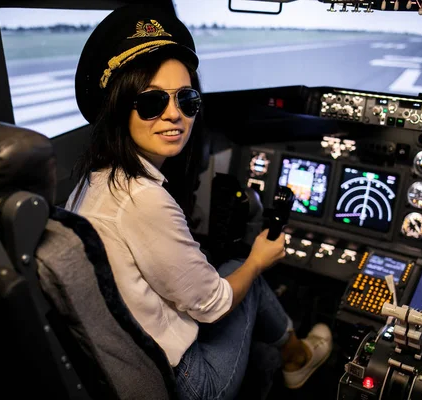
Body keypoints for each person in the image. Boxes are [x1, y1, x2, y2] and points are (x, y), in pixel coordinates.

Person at [67, 4, 332, 399]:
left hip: (126, 366)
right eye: (153, 101)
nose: (175, 115)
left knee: (232, 268)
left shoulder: (95, 179)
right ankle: (298, 358)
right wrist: (260, 260)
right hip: (187, 384)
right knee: (248, 273)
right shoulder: (142, 199)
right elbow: (214, 305)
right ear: (120, 106)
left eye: (186, 100)